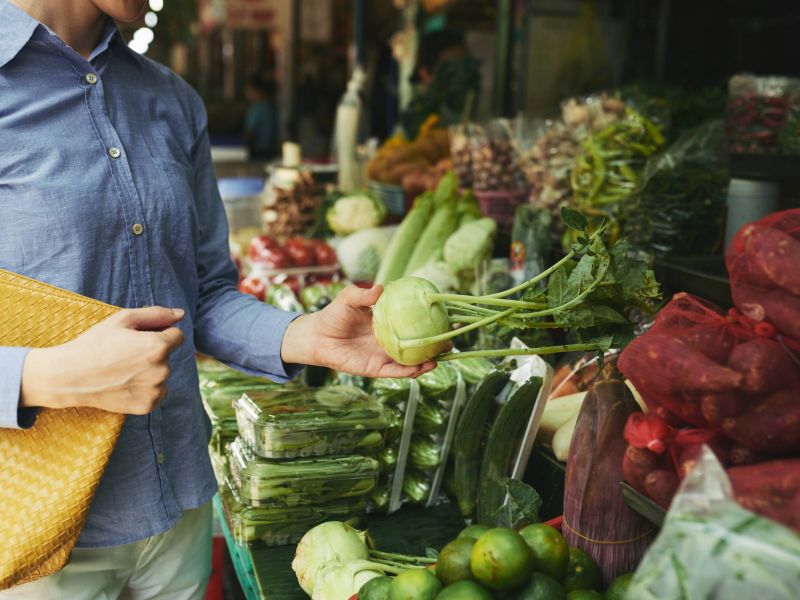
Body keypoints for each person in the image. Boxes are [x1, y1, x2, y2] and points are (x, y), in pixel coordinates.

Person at [0, 1, 434, 598]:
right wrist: (46, 375)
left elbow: (203, 293)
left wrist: (303, 336)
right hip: (37, 528)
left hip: (178, 504)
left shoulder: (169, 100)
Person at [400, 27, 481, 138]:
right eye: (450, 72)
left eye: (466, 67)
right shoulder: (413, 122)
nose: (462, 79)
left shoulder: (477, 118)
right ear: (425, 74)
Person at [243, 73, 279, 159]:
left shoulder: (257, 109)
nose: (246, 93)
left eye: (248, 90)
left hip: (259, 154)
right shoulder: (271, 106)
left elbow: (250, 134)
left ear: (256, 91)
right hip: (272, 153)